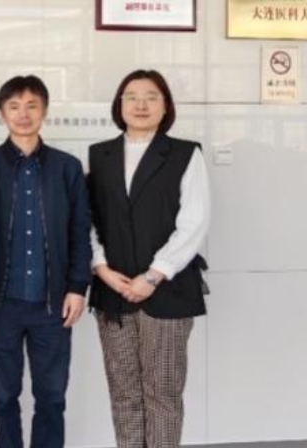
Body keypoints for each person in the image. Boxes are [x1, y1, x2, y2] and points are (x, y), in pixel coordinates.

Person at [0, 76, 92, 448]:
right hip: (1, 304)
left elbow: (80, 230)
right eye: (14, 106)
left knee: (51, 397)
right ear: (2, 113)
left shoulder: (67, 167)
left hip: (52, 305)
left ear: (45, 111)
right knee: (3, 397)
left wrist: (77, 287)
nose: (23, 114)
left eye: (32, 105)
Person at [88, 70, 210, 448]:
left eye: (151, 96)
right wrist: (101, 267)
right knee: (124, 393)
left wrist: (154, 275)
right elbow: (87, 219)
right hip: (113, 291)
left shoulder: (185, 154)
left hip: (167, 292)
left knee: (163, 394)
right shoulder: (99, 155)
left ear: (166, 106)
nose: (141, 104)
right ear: (119, 105)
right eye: (132, 96)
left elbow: (194, 221)